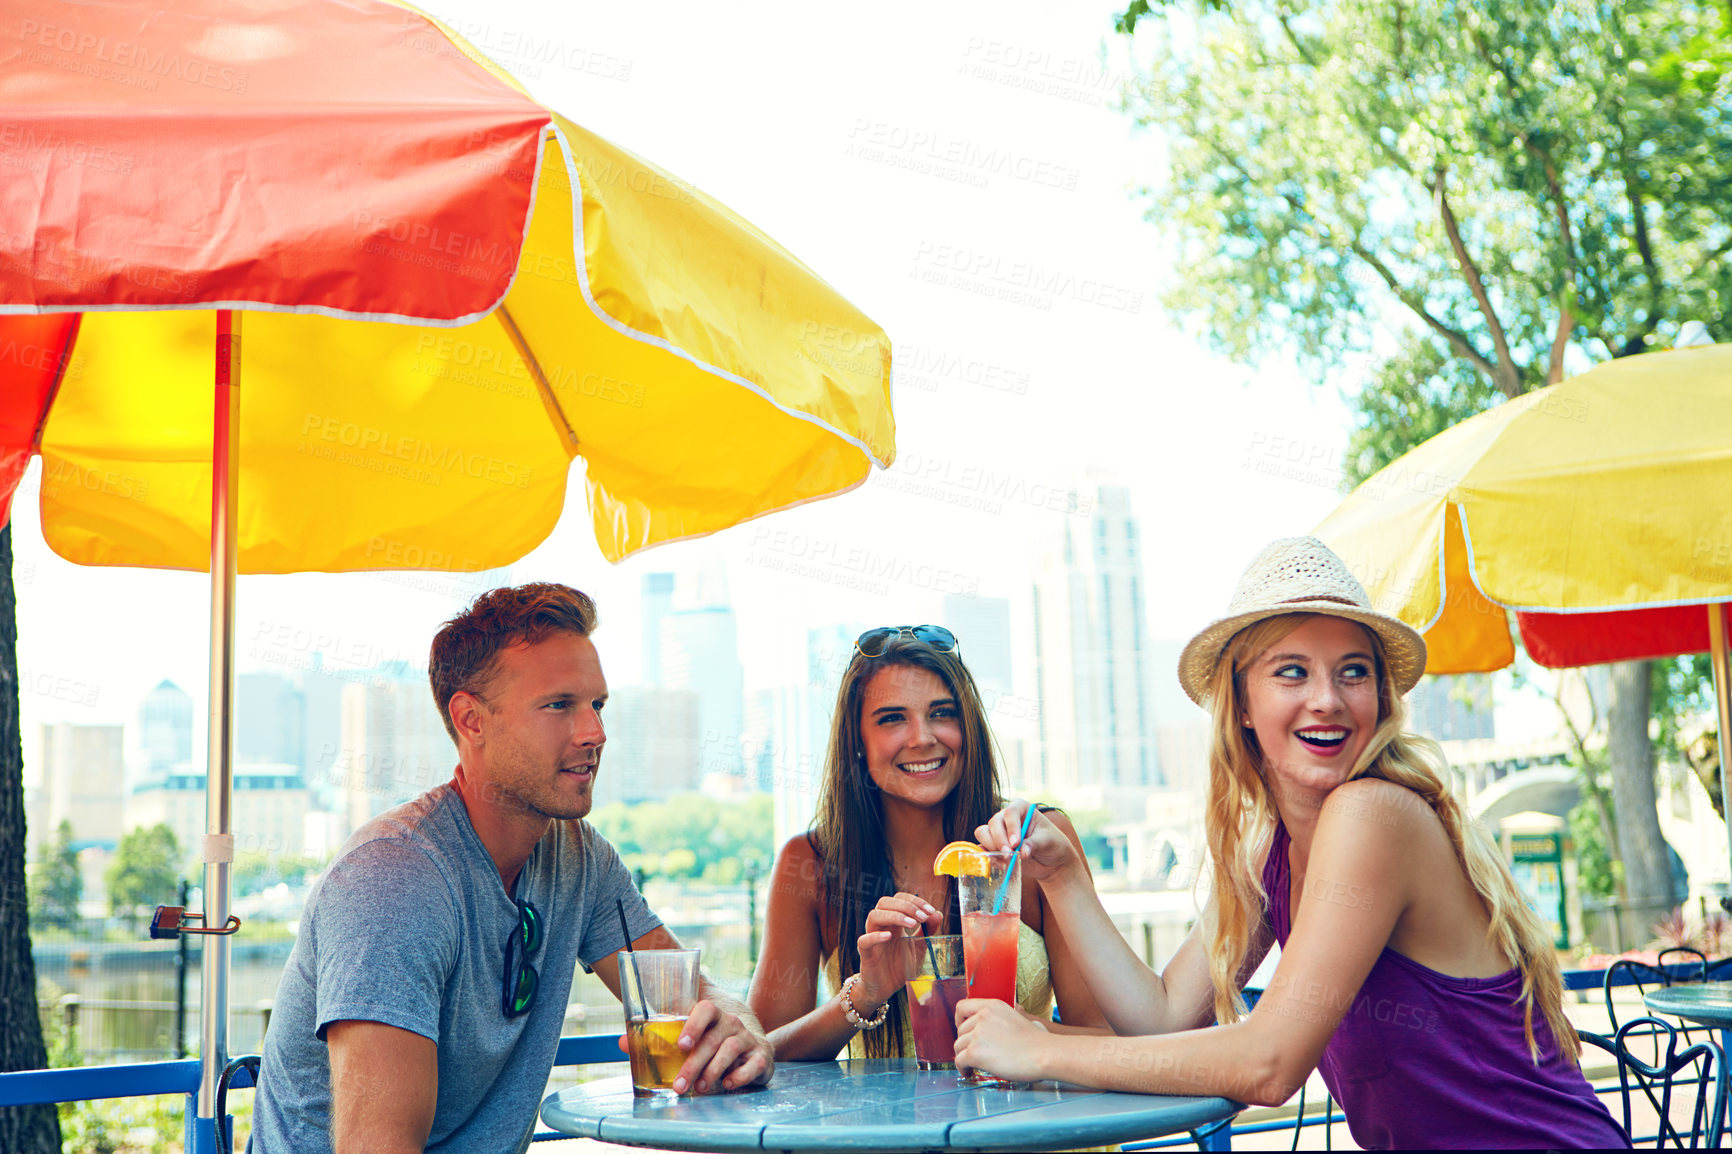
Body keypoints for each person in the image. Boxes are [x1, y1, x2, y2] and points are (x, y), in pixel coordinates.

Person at [955, 538, 1627, 1149]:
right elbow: (1159, 1020)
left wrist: (1041, 1051)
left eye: (1353, 672)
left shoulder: (1373, 815)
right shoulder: (1269, 850)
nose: (1328, 699)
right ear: (1242, 704)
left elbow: (1267, 1064)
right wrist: (1066, 877)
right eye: (1293, 672)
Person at [252, 584, 773, 1154]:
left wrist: (736, 1031)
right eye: (559, 705)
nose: (595, 733)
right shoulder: (394, 880)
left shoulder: (578, 855)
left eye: (597, 705)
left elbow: (691, 991)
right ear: (471, 720)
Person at [748, 624, 1105, 1060]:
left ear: (967, 727)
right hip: (875, 1129)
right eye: (892, 718)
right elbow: (760, 1056)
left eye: (942, 713)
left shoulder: (1034, 843)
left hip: (1018, 1121)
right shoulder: (808, 862)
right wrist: (864, 994)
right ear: (857, 741)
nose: (922, 737)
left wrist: (1021, 1030)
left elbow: (1106, 1038)